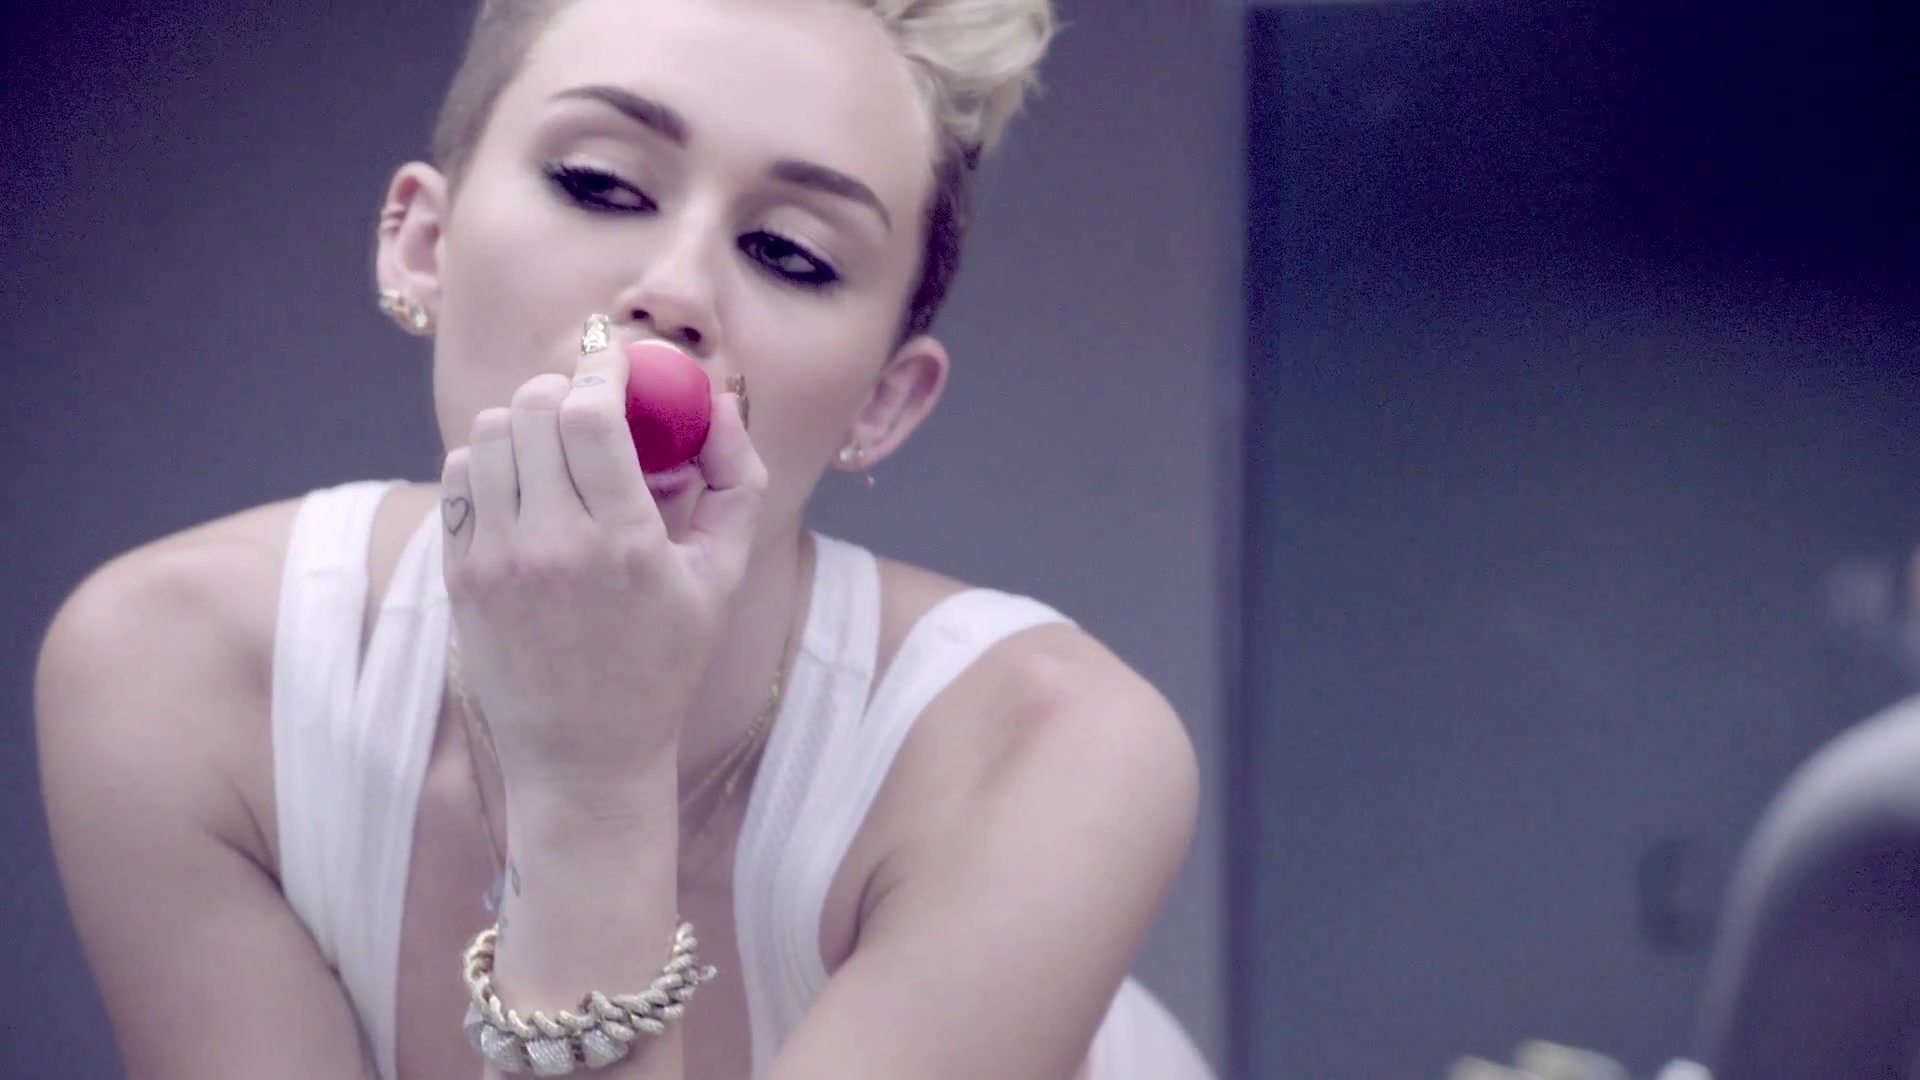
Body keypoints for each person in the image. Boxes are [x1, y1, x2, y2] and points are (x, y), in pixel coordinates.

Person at [31, 1, 1211, 1077]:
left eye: (791, 254)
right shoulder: (167, 668)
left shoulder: (1051, 753)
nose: (675, 290)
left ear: (881, 404)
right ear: (423, 246)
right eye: (599, 184)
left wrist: (592, 778)